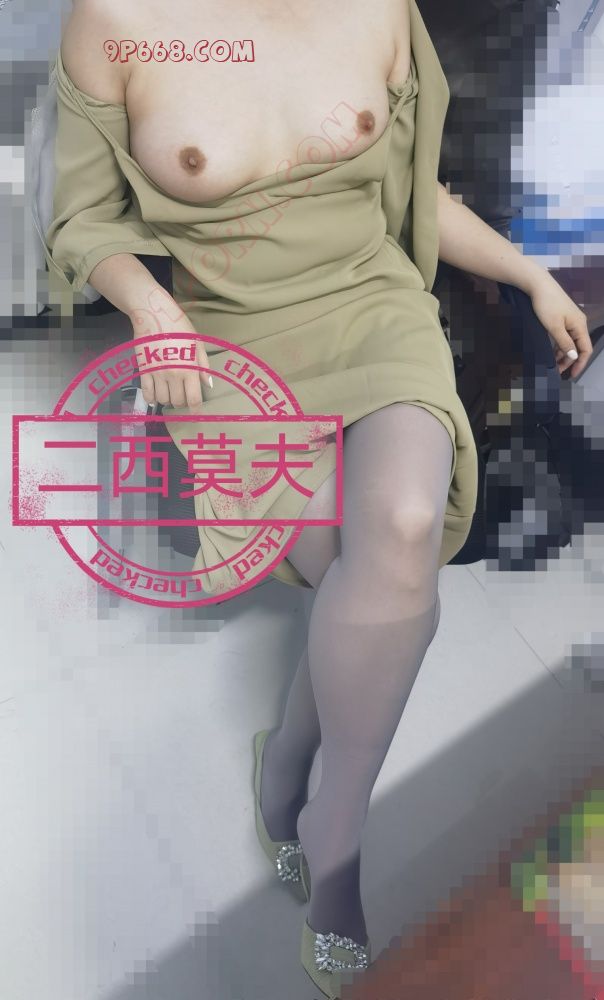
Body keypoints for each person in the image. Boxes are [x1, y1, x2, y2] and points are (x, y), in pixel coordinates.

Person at [43, 0, 592, 995]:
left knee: (403, 531)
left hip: (374, 307)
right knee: (348, 577)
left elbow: (413, 196)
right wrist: (151, 306)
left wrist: (529, 275)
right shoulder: (116, 18)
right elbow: (82, 220)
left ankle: (334, 837)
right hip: (225, 332)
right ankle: (288, 752)